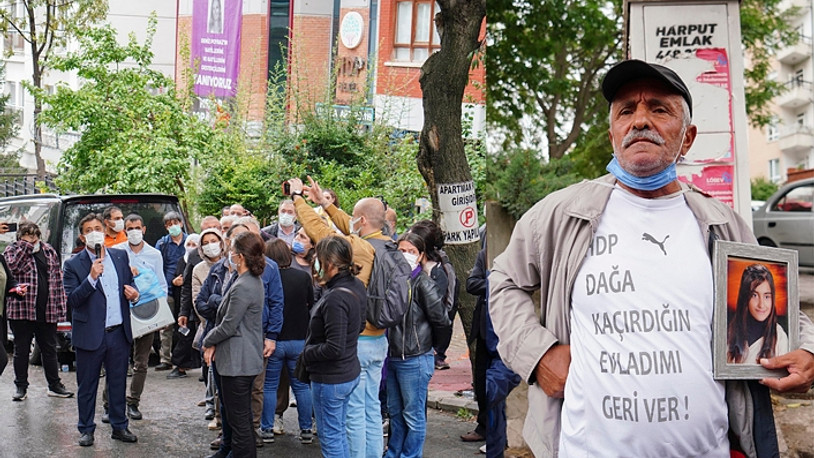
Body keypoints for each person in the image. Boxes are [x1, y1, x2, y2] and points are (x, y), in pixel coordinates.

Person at [488, 60, 814, 457]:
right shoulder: (561, 215)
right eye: (627, 110)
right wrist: (537, 354)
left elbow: (779, 304)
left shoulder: (722, 224)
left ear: (688, 137)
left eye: (659, 109)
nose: (640, 120)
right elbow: (503, 279)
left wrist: (809, 351)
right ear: (613, 134)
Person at [287, 176, 392, 458]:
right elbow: (349, 226)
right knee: (370, 408)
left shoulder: (356, 250)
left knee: (351, 417)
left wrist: (298, 198)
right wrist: (325, 203)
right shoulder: (385, 244)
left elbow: (320, 232)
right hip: (379, 338)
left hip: (358, 343)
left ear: (361, 220)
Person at [63, 213, 140, 447]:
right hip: (90, 335)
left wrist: (135, 295)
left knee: (117, 382)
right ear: (82, 236)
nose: (94, 232)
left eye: (97, 227)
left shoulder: (119, 255)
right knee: (87, 386)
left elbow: (130, 286)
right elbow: (72, 300)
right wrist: (91, 278)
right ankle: (86, 429)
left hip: (118, 332)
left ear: (105, 230)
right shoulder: (73, 264)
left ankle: (119, 425)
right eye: (89, 229)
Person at [203, 231, 267, 458]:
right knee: (234, 415)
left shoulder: (245, 285)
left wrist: (207, 340)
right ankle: (226, 450)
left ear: (240, 256)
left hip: (238, 362)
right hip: (233, 359)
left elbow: (229, 325)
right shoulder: (245, 280)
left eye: (231, 251)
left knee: (240, 421)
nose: (228, 255)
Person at [386, 232, 451, 458]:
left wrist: (435, 348)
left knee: (413, 415)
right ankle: (394, 452)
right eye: (401, 250)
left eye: (411, 252)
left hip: (414, 357)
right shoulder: (392, 281)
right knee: (395, 412)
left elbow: (442, 320)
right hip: (393, 356)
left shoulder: (423, 283)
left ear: (421, 255)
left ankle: (410, 455)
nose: (405, 255)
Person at [302, 235, 366, 458]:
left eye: (318, 259)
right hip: (347, 372)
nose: (314, 264)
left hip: (332, 378)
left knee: (331, 438)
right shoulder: (356, 285)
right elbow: (360, 325)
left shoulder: (335, 298)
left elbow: (334, 347)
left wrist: (308, 353)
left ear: (329, 263)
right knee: (338, 433)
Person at [105, 213, 167, 421]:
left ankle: (133, 402)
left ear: (144, 229)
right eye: (129, 228)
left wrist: (161, 313)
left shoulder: (154, 254)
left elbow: (162, 284)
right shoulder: (116, 252)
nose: (134, 232)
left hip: (147, 311)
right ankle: (110, 403)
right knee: (117, 360)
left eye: (137, 228)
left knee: (141, 361)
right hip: (122, 313)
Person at [3, 221, 73, 401]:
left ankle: (54, 385)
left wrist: (60, 307)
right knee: (21, 349)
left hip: (47, 309)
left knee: (49, 349)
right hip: (22, 310)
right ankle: (21, 387)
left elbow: (57, 280)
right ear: (20, 236)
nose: (31, 239)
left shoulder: (48, 251)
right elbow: (12, 268)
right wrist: (25, 247)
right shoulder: (12, 250)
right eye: (27, 235)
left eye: (34, 235)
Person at [259, 239, 315, 444]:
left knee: (270, 386)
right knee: (301, 386)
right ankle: (307, 429)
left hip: (273, 340)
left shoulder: (266, 279)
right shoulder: (302, 277)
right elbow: (311, 302)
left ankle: (267, 428)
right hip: (299, 339)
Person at [192, 227, 226, 422]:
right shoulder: (199, 269)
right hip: (208, 323)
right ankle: (211, 403)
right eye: (205, 242)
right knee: (209, 367)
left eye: (214, 240)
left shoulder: (231, 265)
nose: (210, 245)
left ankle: (219, 407)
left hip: (228, 324)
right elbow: (199, 301)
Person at [727, 264, 789, 364]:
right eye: (754, 295)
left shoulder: (779, 337)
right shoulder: (730, 331)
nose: (761, 304)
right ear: (745, 297)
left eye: (767, 297)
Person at [461, 245, 488, 443]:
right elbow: (472, 284)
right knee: (482, 380)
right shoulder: (484, 255)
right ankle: (484, 426)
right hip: (485, 329)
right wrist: (496, 284)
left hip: (509, 330)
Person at [155, 211, 187, 371]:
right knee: (166, 326)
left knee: (185, 325)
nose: (172, 227)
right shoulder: (162, 244)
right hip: (166, 289)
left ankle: (184, 359)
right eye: (169, 225)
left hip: (185, 289)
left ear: (181, 223)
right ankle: (165, 358)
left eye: (175, 223)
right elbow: (157, 266)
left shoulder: (190, 241)